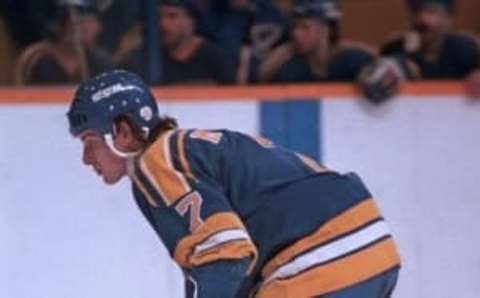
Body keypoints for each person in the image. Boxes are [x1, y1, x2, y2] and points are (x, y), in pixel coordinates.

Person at [67, 70, 401, 297]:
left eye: (89, 141)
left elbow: (226, 257)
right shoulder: (186, 148)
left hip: (318, 258)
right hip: (371, 250)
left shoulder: (156, 163)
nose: (86, 159)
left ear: (123, 133)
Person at [119, 0, 235, 85]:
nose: (163, 24)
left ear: (191, 21)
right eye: (159, 17)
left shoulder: (216, 59)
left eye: (172, 16)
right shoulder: (142, 59)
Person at [257, 0, 375, 83]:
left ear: (325, 30)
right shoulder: (288, 69)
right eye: (294, 26)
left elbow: (379, 71)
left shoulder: (352, 60)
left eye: (304, 27)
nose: (296, 33)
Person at [380, 0, 480, 97]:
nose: (422, 19)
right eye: (416, 11)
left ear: (448, 18)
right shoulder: (394, 49)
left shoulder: (467, 50)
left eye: (431, 11)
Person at [14, 0, 113, 85]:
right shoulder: (41, 61)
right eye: (79, 21)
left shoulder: (100, 62)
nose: (81, 28)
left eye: (89, 21)